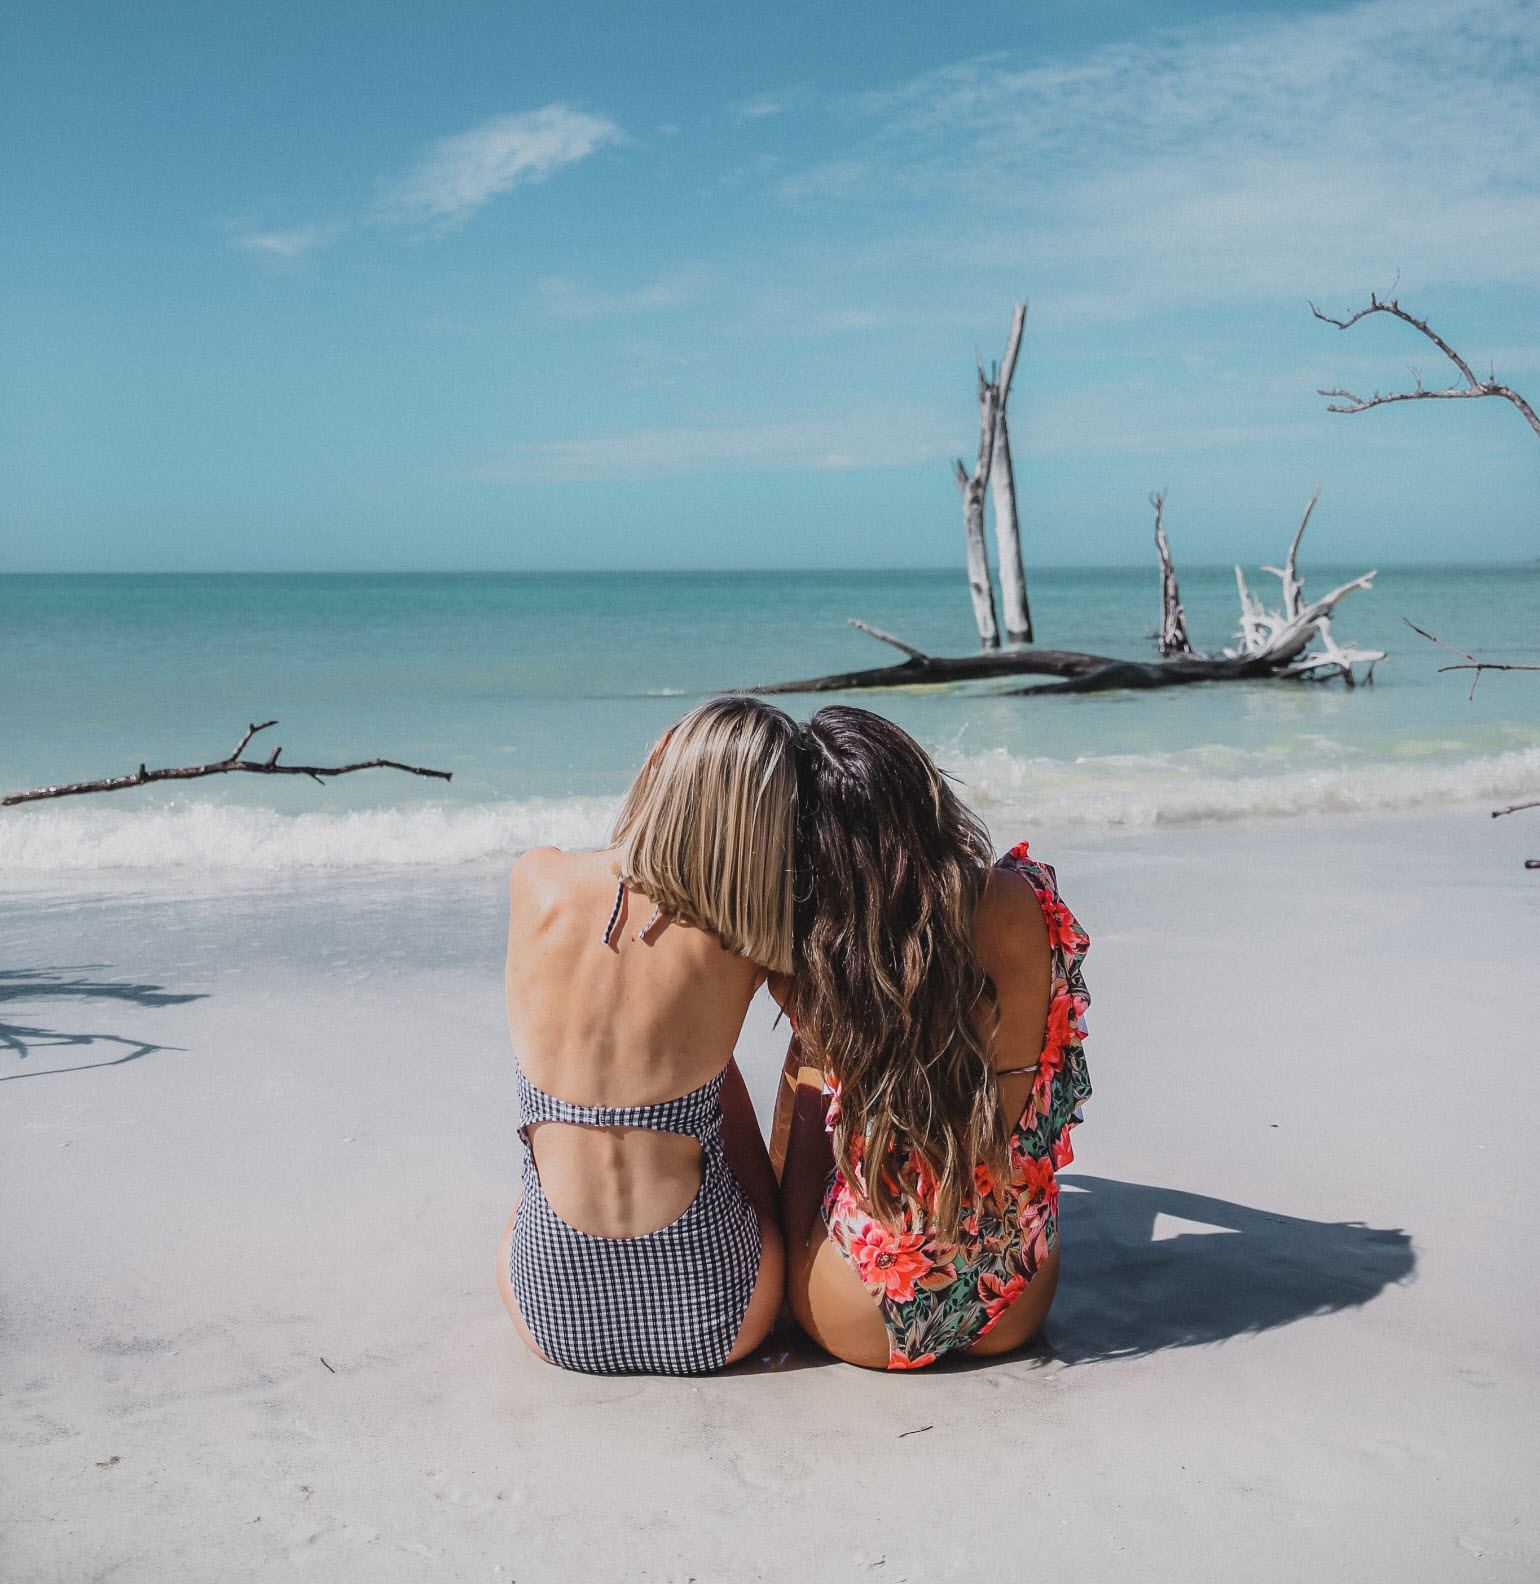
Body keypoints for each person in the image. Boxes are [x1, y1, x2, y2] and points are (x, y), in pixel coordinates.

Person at [770, 706, 1091, 1370]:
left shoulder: (838, 951)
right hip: (1019, 1297)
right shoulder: (1032, 901)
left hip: (863, 1311)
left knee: (805, 1050)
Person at [497, 696, 796, 1375]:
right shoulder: (746, 936)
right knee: (713, 1081)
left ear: (660, 754)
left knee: (559, 1122)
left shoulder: (534, 878)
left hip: (553, 1319)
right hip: (722, 1316)